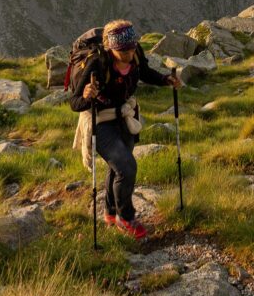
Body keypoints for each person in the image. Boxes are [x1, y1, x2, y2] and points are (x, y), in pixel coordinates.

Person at [70, 18, 181, 240]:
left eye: (131, 48)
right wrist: (86, 96)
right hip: (100, 120)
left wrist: (165, 80)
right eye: (124, 50)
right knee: (126, 167)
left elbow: (145, 72)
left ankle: (110, 213)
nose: (129, 53)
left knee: (117, 167)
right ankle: (126, 217)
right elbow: (75, 104)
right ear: (111, 48)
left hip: (124, 115)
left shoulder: (135, 53)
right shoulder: (97, 64)